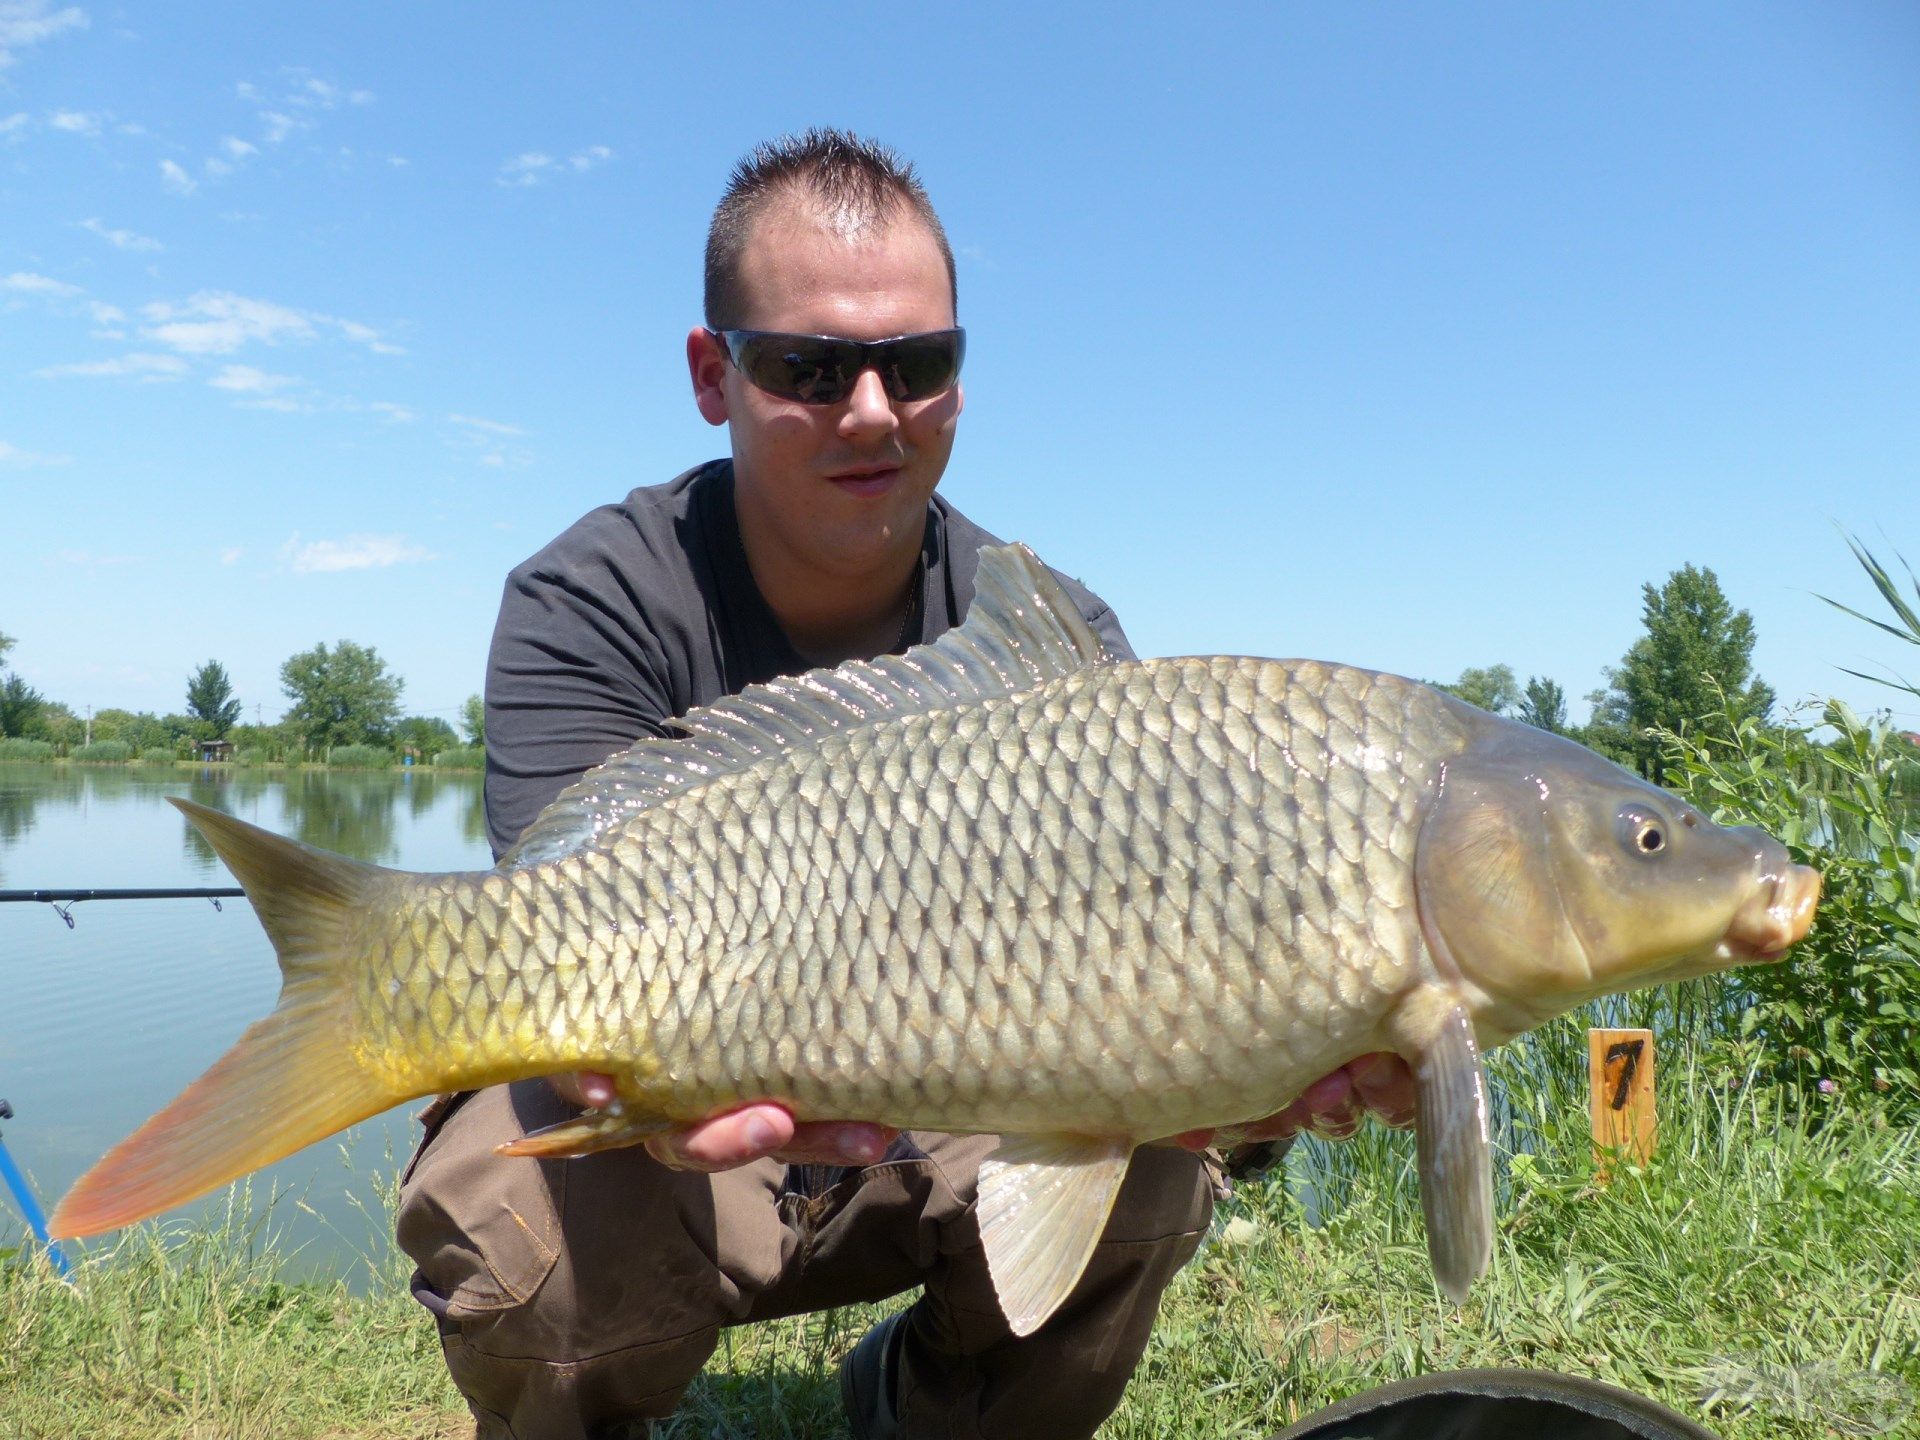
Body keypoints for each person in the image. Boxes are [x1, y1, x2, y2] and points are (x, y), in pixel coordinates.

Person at [396, 129, 1415, 1440]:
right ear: (714, 375)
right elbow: (550, 931)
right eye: (809, 367)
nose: (872, 409)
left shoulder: (1056, 646)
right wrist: (639, 1095)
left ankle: (939, 1414)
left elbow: (1154, 988)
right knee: (505, 1186)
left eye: (917, 363)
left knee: (1156, 1152)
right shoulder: (590, 598)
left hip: (947, 1131)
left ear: (960, 380)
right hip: (685, 1136)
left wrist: (1263, 1073)